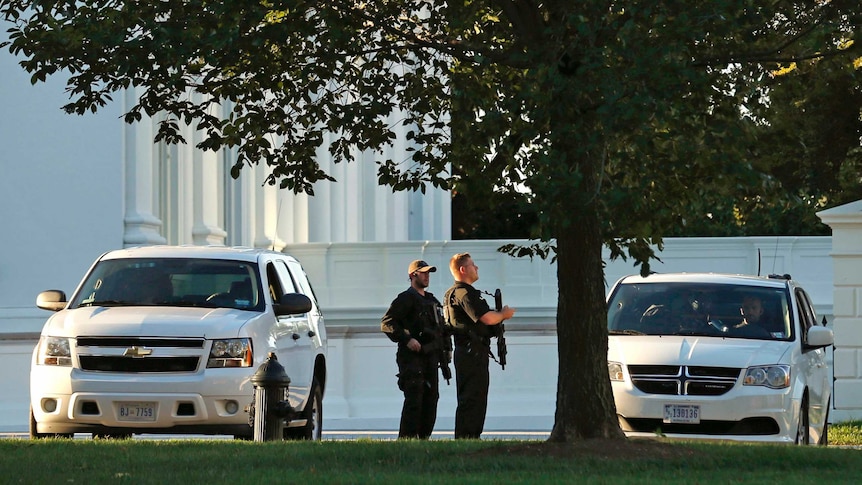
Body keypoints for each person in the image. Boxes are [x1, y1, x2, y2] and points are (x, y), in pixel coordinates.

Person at [444, 252, 516, 439]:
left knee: (473, 396)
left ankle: (469, 436)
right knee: (473, 397)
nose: (476, 268)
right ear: (462, 269)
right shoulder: (464, 293)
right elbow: (487, 318)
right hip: (471, 351)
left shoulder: (454, 293)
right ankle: (468, 437)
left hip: (470, 350)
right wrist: (503, 314)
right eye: (473, 265)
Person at [381, 259, 449, 439]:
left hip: (431, 357)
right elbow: (387, 323)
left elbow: (441, 328)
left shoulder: (431, 300)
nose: (427, 276)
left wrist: (445, 351)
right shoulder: (405, 298)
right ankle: (407, 440)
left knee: (431, 399)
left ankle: (424, 439)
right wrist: (407, 339)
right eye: (423, 273)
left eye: (429, 273)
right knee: (414, 400)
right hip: (412, 358)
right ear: (413, 275)